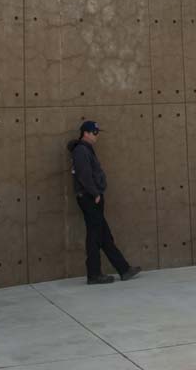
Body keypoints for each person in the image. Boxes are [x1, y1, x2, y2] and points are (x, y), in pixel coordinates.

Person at [66, 120, 140, 285]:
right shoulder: (81, 151)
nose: (96, 135)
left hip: (92, 196)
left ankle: (124, 269)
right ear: (85, 133)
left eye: (97, 132)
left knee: (103, 234)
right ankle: (94, 274)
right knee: (95, 235)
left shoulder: (86, 149)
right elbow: (84, 175)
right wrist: (95, 193)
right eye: (94, 132)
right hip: (89, 197)